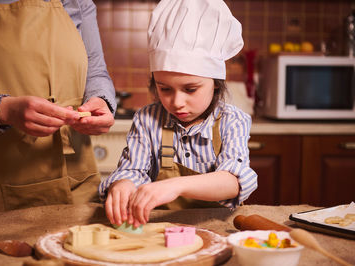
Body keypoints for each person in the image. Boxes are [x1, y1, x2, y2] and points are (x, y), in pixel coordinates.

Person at [99, 0, 258, 228]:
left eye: (190, 89)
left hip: (216, 227)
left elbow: (233, 181)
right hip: (161, 228)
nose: (176, 102)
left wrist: (175, 186)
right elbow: (133, 169)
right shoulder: (148, 119)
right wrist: (123, 184)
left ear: (215, 83)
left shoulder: (232, 121)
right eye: (164, 89)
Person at [0, 0, 116, 211]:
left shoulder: (79, 2)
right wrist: (3, 110)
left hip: (74, 181)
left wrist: (102, 100)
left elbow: (96, 72)